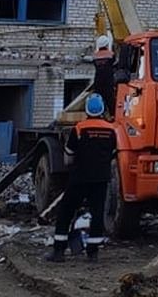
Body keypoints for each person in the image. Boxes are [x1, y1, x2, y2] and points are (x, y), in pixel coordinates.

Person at [47, 93, 117, 263]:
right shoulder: (111, 130)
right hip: (100, 178)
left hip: (79, 177)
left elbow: (69, 154)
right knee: (97, 213)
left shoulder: (79, 129)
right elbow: (113, 153)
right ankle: (92, 253)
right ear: (102, 110)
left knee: (66, 211)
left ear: (86, 110)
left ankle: (59, 251)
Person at [92, 34, 115, 110]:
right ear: (107, 44)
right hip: (108, 81)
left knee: (98, 98)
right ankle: (112, 114)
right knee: (110, 99)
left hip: (98, 80)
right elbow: (114, 64)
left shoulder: (95, 56)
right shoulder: (111, 54)